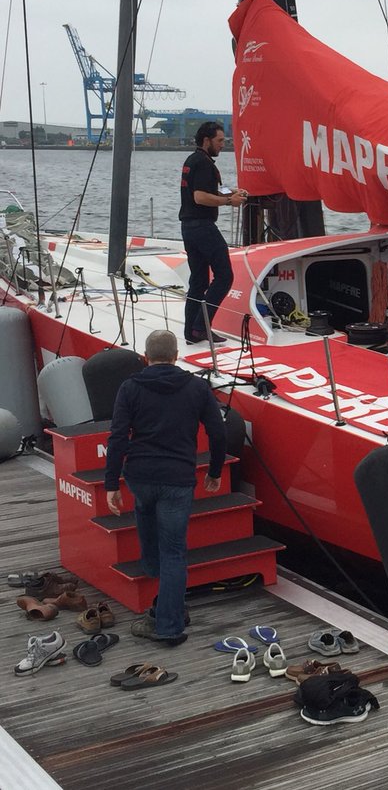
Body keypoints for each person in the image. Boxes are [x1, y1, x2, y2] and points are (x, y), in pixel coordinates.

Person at [104, 330, 227, 644]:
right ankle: (169, 619)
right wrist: (214, 471)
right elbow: (217, 432)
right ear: (176, 357)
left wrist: (110, 484)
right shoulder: (197, 388)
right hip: (177, 479)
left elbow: (117, 438)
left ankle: (164, 607)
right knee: (174, 553)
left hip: (140, 478)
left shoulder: (129, 388)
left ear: (146, 358)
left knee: (151, 540)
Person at [179, 121, 247, 344]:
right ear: (206, 140)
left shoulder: (193, 160)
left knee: (198, 280)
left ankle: (191, 332)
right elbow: (200, 197)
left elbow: (205, 191)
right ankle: (201, 326)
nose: (223, 145)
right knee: (225, 276)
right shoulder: (204, 163)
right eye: (219, 141)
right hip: (202, 227)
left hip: (189, 227)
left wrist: (232, 191)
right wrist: (229, 201)